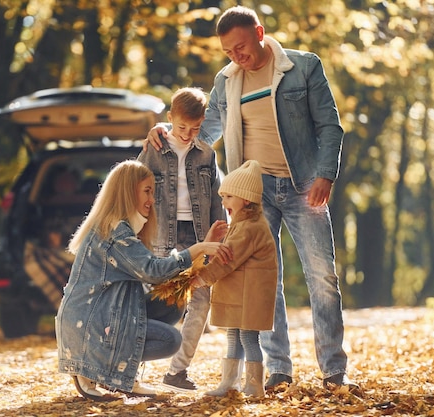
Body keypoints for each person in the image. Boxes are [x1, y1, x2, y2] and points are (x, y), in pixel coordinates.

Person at [145, 5, 360, 394]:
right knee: (263, 282)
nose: (236, 56)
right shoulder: (227, 80)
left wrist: (326, 174)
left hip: (303, 187)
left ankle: (333, 370)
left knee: (322, 278)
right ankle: (278, 369)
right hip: (251, 196)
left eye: (241, 47)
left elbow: (330, 125)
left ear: (259, 34)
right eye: (228, 51)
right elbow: (203, 131)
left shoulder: (303, 67)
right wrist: (166, 129)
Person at [55, 159, 230, 401]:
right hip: (91, 325)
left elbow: (164, 276)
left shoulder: (122, 228)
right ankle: (96, 370)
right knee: (171, 340)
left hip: (105, 314)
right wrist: (198, 248)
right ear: (128, 192)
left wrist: (201, 252)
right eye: (147, 191)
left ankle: (118, 372)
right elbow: (153, 270)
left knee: (172, 304)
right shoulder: (115, 232)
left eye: (153, 192)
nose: (152, 199)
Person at [136, 87, 226, 393]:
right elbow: (136, 189)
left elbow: (215, 198)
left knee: (200, 301)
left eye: (196, 128)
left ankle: (177, 371)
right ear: (170, 118)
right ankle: (131, 367)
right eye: (182, 127)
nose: (188, 135)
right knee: (147, 300)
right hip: (161, 234)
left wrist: (219, 234)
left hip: (198, 235)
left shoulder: (207, 153)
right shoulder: (154, 148)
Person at [189, 160, 277, 398]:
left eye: (228, 196)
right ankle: (229, 383)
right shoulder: (242, 225)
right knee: (234, 335)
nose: (223, 201)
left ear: (245, 199)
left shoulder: (250, 228)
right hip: (240, 294)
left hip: (250, 294)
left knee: (248, 338)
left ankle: (254, 385)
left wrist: (202, 278)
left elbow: (227, 260)